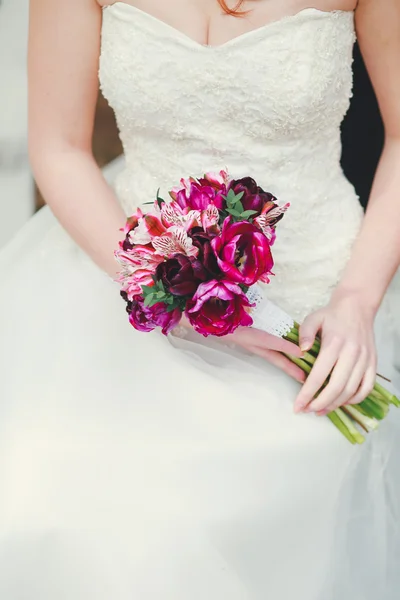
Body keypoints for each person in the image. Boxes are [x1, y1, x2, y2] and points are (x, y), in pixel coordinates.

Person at [0, 1, 399, 598]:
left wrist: (357, 302)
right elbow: (59, 148)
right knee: (46, 504)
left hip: (318, 299)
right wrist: (166, 286)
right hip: (129, 283)